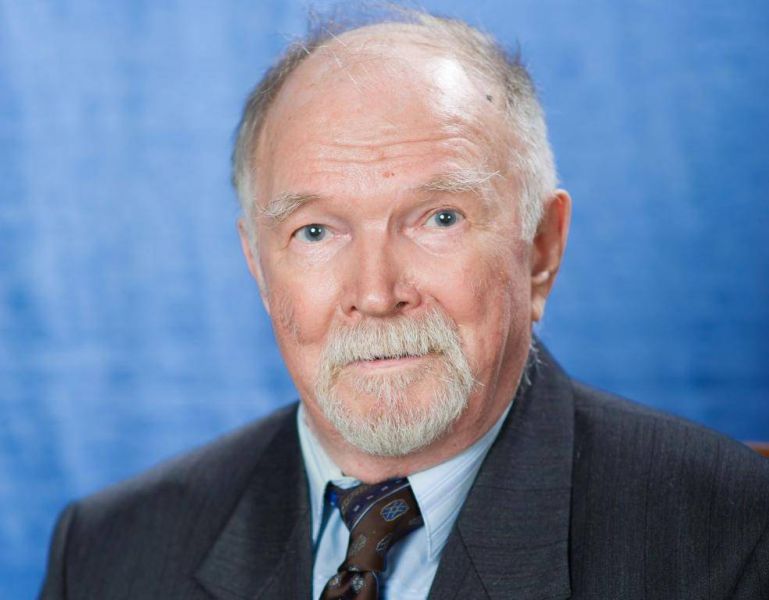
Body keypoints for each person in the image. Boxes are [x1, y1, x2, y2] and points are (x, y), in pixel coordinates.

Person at [40, 8, 769, 600]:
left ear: (540, 248)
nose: (375, 293)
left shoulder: (732, 535)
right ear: (258, 267)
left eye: (439, 219)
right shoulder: (108, 552)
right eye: (315, 231)